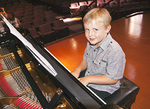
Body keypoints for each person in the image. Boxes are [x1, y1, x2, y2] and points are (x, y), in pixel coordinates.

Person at [71, 8, 126, 99]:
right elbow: (85, 60)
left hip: (104, 87)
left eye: (95, 29)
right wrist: (77, 70)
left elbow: (112, 79)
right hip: (91, 74)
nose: (90, 34)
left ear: (107, 28)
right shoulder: (91, 42)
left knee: (80, 100)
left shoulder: (115, 51)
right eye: (87, 29)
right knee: (69, 84)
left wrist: (88, 79)